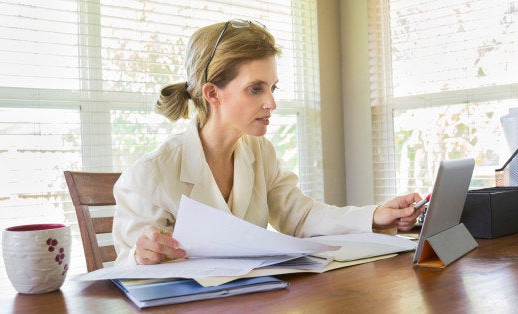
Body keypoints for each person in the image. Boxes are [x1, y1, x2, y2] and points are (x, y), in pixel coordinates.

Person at [112, 19, 424, 266]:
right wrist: (142, 255)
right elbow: (126, 266)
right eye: (255, 89)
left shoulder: (259, 151)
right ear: (212, 93)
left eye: (272, 87)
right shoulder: (150, 175)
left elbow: (299, 216)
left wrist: (374, 215)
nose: (272, 102)